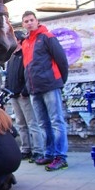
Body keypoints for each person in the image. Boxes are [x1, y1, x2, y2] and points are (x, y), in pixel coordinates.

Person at [21, 10, 70, 171]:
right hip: (34, 89)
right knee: (43, 123)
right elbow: (27, 68)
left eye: (31, 20)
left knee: (57, 121)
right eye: (26, 21)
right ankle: (49, 154)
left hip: (50, 86)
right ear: (23, 24)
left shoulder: (47, 37)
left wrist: (60, 81)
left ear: (37, 21)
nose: (29, 23)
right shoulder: (25, 42)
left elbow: (62, 59)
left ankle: (60, 157)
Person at [5, 30, 45, 162]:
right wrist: (7, 90)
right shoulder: (11, 57)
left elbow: (29, 74)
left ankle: (38, 150)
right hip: (13, 95)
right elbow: (8, 76)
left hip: (24, 95)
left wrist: (25, 91)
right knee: (21, 124)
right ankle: (26, 149)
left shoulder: (25, 54)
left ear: (19, 40)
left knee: (32, 123)